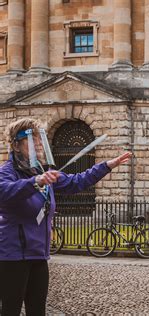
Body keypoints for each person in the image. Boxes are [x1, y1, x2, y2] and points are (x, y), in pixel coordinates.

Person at [0, 118, 132, 316]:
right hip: (13, 255)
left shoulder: (43, 171)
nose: (37, 144)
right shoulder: (8, 172)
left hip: (38, 254)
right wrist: (35, 182)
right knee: (10, 310)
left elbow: (76, 182)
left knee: (37, 311)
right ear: (16, 145)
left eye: (38, 140)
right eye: (32, 140)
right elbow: (5, 192)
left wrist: (106, 166)